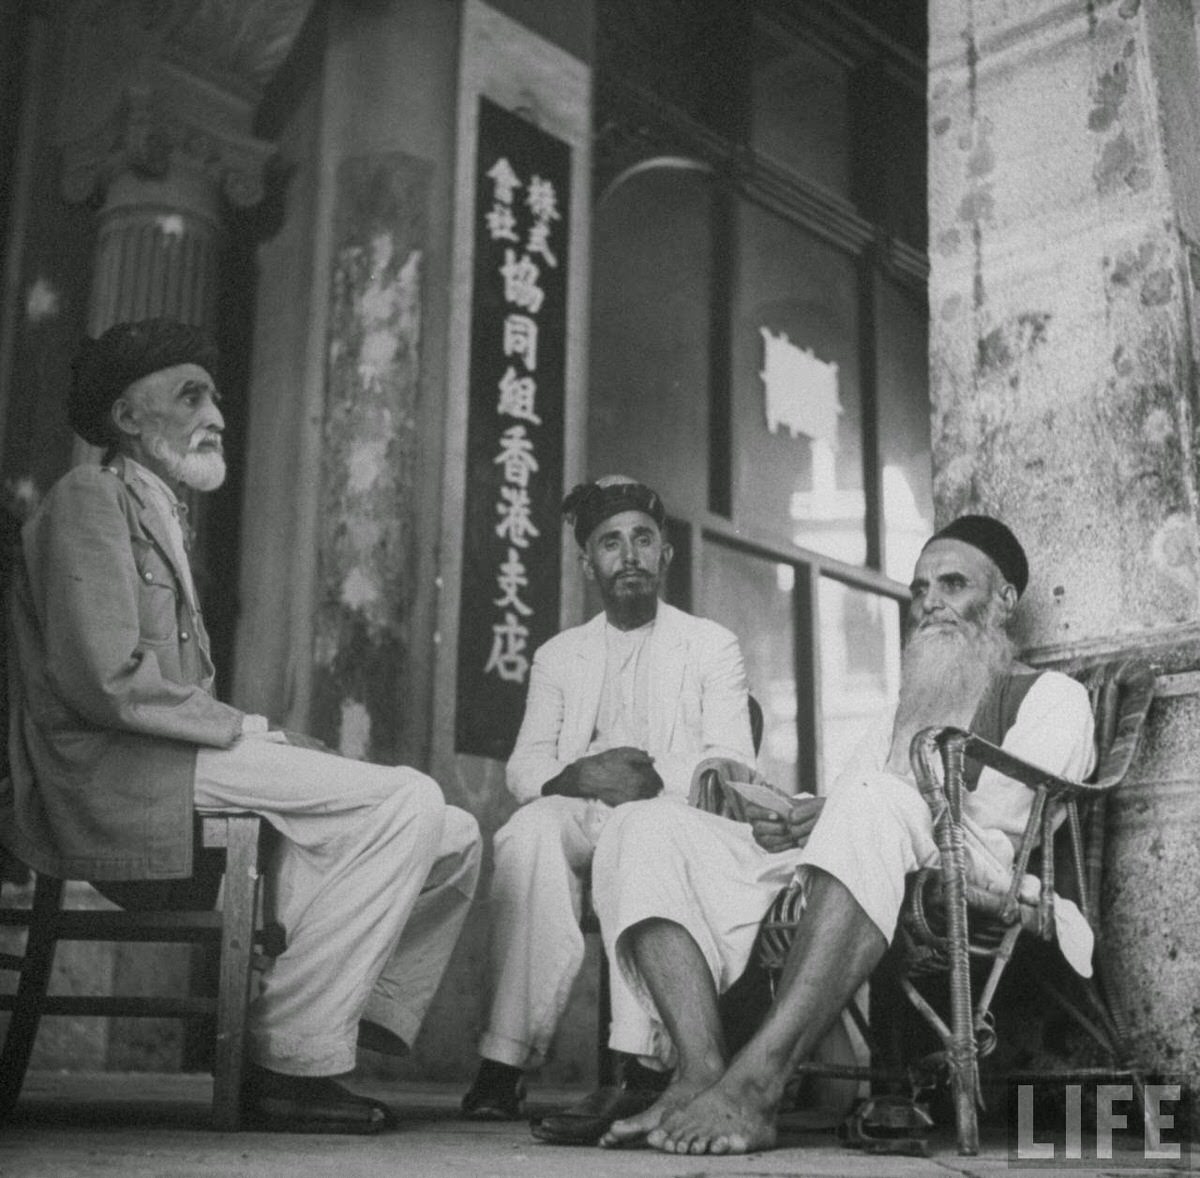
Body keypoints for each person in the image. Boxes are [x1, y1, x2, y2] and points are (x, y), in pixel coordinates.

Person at [0, 319, 482, 1134]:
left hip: (173, 757)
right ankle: (290, 1058)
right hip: (119, 768)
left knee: (458, 834)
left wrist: (246, 736)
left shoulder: (160, 512)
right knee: (408, 801)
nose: (215, 412)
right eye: (191, 394)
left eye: (216, 394)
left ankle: (334, 1005)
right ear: (127, 417)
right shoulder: (90, 497)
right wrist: (248, 731)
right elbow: (104, 682)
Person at [591, 515, 1096, 1154]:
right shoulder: (902, 708)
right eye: (919, 589)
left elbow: (1003, 825)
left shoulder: (1053, 696)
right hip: (866, 846)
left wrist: (847, 808)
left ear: (1004, 600)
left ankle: (757, 1086)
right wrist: (791, 814)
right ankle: (700, 1071)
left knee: (870, 800)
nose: (930, 603)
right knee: (647, 825)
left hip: (977, 865)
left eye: (952, 584)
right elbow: (849, 802)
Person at [461, 476, 755, 1143]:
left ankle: (637, 1062)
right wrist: (581, 774)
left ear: (666, 554)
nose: (629, 555)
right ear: (588, 560)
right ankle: (503, 1061)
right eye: (611, 543)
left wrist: (645, 781)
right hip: (586, 804)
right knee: (526, 833)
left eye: (643, 539)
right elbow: (524, 768)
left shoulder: (712, 645)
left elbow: (732, 759)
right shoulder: (559, 655)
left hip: (672, 817)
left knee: (634, 829)